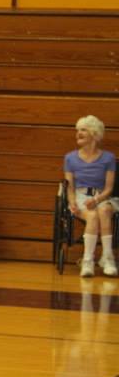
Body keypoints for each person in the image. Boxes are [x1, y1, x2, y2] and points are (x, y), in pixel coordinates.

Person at [64, 115, 117, 277]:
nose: (78, 133)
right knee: (92, 216)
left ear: (94, 134)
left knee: (104, 210)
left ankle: (107, 258)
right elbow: (69, 187)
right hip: (79, 198)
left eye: (83, 130)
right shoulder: (70, 158)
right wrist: (72, 202)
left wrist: (96, 199)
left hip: (101, 197)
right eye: (77, 130)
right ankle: (88, 261)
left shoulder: (108, 158)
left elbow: (109, 188)